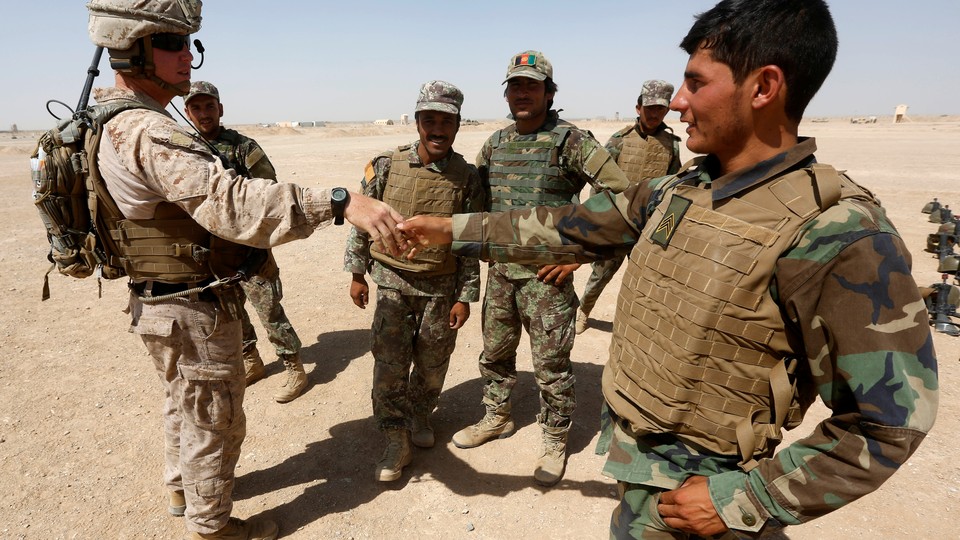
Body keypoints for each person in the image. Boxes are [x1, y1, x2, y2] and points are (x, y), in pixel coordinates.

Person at [398, 1, 938, 537]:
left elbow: (890, 422)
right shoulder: (674, 192)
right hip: (640, 468)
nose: (677, 102)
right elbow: (568, 223)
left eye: (695, 84)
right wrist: (452, 229)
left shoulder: (837, 233)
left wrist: (746, 500)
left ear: (764, 86)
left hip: (707, 496)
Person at [85, 1, 405, 538]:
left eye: (188, 43)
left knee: (183, 402)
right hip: (190, 305)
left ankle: (181, 488)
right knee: (215, 416)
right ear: (132, 48)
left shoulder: (114, 122)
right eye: (171, 43)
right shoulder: (145, 129)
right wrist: (339, 201)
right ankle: (212, 528)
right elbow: (231, 203)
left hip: (161, 302)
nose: (187, 57)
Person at [451, 50, 631, 487]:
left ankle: (555, 438)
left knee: (550, 366)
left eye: (532, 85)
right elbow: (476, 204)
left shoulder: (571, 141)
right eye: (516, 85)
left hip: (547, 281)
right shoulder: (495, 143)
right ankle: (497, 417)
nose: (523, 93)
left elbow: (624, 198)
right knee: (494, 355)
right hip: (502, 277)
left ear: (550, 93)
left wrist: (581, 254)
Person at [344, 80, 484, 482]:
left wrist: (466, 296)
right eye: (429, 120)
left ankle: (421, 415)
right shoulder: (386, 165)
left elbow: (470, 241)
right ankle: (394, 437)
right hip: (392, 283)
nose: (437, 129)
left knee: (432, 363)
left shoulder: (468, 177)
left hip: (440, 289)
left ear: (457, 125)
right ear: (418, 121)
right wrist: (357, 274)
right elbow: (361, 222)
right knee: (389, 366)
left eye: (446, 121)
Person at [184, 81, 307, 403]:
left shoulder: (242, 147)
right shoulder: (185, 151)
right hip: (211, 252)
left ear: (220, 109)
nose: (203, 113)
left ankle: (294, 366)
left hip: (249, 249)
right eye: (196, 107)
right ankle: (251, 360)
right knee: (232, 312)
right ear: (187, 112)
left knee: (269, 311)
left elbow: (268, 191)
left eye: (209, 106)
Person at [576, 80, 682, 334]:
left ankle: (638, 325)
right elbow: (598, 180)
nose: (654, 114)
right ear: (638, 108)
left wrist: (667, 228)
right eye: (649, 108)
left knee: (648, 277)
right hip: (618, 220)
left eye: (660, 109)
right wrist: (599, 217)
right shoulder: (620, 140)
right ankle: (583, 311)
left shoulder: (672, 144)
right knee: (600, 274)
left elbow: (676, 186)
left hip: (652, 224)